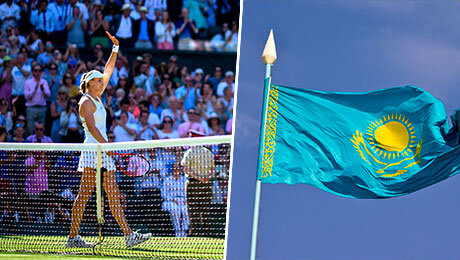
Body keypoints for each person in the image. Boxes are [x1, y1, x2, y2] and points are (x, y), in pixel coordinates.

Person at [67, 31, 151, 248]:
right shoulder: (85, 101)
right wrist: (107, 147)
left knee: (113, 194)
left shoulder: (97, 95)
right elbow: (92, 128)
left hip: (103, 151)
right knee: (84, 195)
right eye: (97, 79)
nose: (101, 80)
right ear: (90, 83)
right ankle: (73, 237)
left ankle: (129, 235)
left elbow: (109, 69)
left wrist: (115, 48)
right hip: (93, 151)